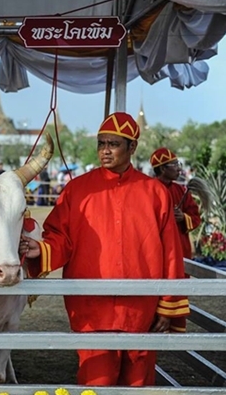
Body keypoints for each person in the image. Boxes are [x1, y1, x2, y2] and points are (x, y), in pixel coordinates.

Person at [19, 112, 189, 387]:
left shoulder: (155, 192)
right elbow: (60, 236)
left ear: (132, 147)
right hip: (91, 307)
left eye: (113, 144)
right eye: (101, 143)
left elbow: (170, 252)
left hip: (141, 308)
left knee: (139, 384)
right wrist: (43, 250)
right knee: (96, 382)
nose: (105, 150)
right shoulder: (78, 191)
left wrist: (167, 306)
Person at [150, 147, 201, 333]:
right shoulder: (148, 189)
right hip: (156, 251)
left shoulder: (181, 190)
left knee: (177, 287)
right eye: (175, 165)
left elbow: (195, 217)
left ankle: (173, 329)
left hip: (179, 250)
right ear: (162, 168)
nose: (179, 169)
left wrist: (183, 218)